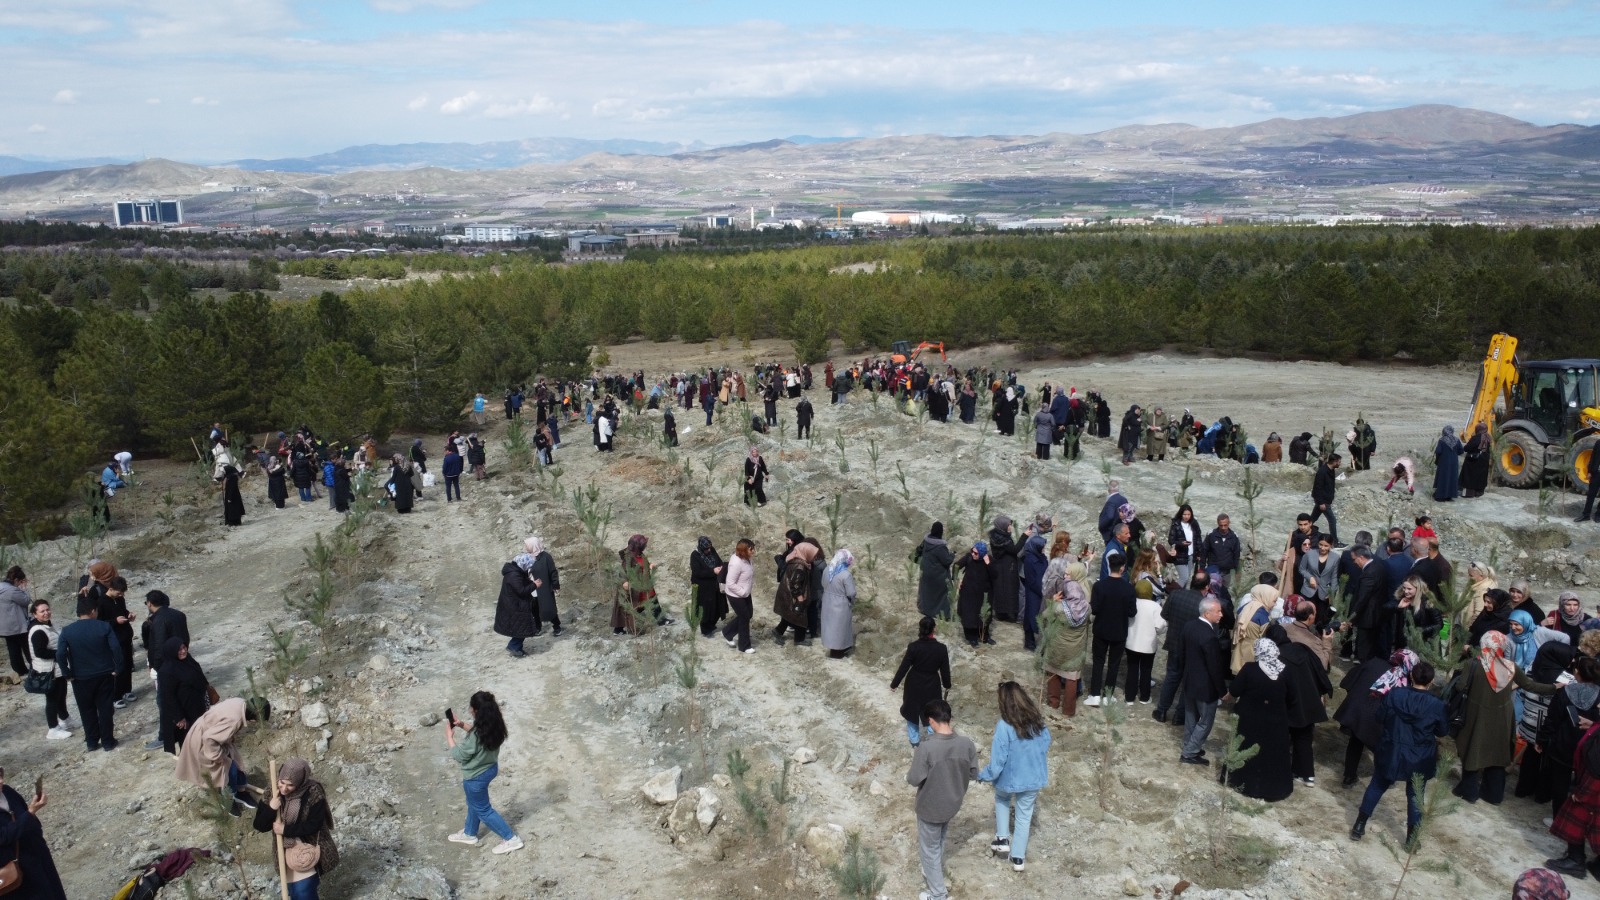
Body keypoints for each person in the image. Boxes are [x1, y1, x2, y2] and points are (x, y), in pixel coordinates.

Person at [1349, 661, 1448, 845]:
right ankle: (1411, 840)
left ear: (1411, 676)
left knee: (1377, 786)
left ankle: (1359, 825)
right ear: (1431, 681)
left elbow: (1379, 717)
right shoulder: (1437, 705)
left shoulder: (1395, 694)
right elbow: (1442, 731)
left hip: (1392, 750)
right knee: (1415, 795)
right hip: (1420, 756)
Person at [1455, 631, 1556, 804]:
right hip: (1502, 716)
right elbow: (1530, 685)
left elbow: (1460, 686)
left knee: (1473, 748)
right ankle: (1493, 795)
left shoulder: (1473, 664)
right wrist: (1553, 687)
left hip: (1476, 715)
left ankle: (1469, 791)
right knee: (1498, 754)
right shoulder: (1511, 666)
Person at [906, 698, 977, 900]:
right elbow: (973, 773)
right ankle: (933, 870)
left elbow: (914, 779)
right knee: (940, 839)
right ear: (949, 718)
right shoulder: (966, 744)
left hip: (930, 806)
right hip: (953, 803)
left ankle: (938, 894)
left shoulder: (927, 748)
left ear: (930, 721)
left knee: (929, 848)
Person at [977, 681, 1051, 873]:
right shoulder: (1039, 723)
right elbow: (1045, 745)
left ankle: (1002, 838)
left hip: (1010, 779)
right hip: (1033, 778)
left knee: (1001, 798)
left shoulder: (1004, 726)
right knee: (1024, 817)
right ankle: (1018, 858)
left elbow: (998, 762)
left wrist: (983, 775)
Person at [446, 692, 523, 855]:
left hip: (475, 777)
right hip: (490, 768)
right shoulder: (495, 725)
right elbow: (478, 735)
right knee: (474, 803)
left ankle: (511, 838)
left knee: (483, 809)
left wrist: (449, 738)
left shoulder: (477, 734)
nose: (469, 710)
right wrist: (461, 725)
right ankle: (469, 833)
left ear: (476, 711)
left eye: (471, 707)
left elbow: (460, 756)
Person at [253, 757, 337, 899]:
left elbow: (315, 824)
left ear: (300, 782)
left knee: (303, 891)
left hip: (308, 846)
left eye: (290, 785)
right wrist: (271, 808)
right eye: (282, 782)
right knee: (294, 892)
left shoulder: (313, 792)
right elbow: (260, 825)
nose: (284, 788)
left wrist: (285, 830)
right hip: (285, 849)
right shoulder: (271, 791)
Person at [1226, 638, 1295, 801]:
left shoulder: (1250, 669)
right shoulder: (1285, 671)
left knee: (1248, 751)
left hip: (1250, 719)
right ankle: (1272, 790)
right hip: (1276, 721)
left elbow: (1235, 690)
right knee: (1272, 755)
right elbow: (1292, 697)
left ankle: (1244, 784)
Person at [176, 697, 268, 815]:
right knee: (228, 767)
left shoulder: (241, 703)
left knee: (236, 761)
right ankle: (228, 798)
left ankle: (241, 791)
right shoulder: (234, 720)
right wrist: (218, 757)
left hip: (214, 735)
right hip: (204, 740)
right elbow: (209, 738)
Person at [56, 596, 122, 752]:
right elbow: (116, 648)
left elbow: (60, 654)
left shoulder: (67, 630)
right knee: (105, 709)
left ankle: (92, 742)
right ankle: (108, 741)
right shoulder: (104, 626)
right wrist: (118, 667)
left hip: (80, 678)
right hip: (104, 674)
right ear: (93, 611)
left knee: (86, 710)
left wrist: (67, 673)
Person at [1539, 656, 1600, 823]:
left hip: (1563, 745)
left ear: (1577, 672)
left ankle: (1558, 819)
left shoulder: (1565, 692)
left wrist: (1542, 740)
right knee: (1582, 787)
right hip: (1590, 747)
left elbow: (1552, 720)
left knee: (1559, 784)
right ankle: (1577, 821)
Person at [0, 767, 68, 900]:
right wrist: (31, 813)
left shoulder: (7, 792)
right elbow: (3, 836)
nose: (1, 780)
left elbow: (26, 814)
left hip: (38, 855)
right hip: (16, 869)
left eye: (0, 774)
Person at [1154, 570, 1207, 724]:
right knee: (1187, 682)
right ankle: (1180, 716)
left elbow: (1165, 615)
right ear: (1207, 587)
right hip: (1193, 649)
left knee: (1171, 677)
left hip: (1175, 643)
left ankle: (1162, 711)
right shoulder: (1203, 605)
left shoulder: (1176, 595)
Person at [1180, 598, 1227, 765]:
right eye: (1218, 611)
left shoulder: (1189, 626)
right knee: (1205, 721)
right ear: (1207, 613)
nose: (1221, 615)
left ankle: (1190, 745)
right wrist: (1222, 691)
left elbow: (1182, 653)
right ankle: (1189, 752)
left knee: (1191, 718)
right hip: (1205, 686)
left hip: (1190, 680)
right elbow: (1215, 667)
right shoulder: (1209, 636)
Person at [891, 617, 951, 747]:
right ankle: (933, 740)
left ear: (920, 629)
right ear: (934, 629)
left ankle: (914, 742)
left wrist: (894, 684)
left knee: (912, 712)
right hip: (932, 684)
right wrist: (947, 685)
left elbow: (904, 667)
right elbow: (945, 670)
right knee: (933, 712)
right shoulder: (941, 648)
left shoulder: (914, 647)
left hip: (914, 683)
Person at [1041, 561, 1092, 716]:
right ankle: (1069, 710)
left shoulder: (1059, 608)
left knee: (1054, 673)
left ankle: (1053, 702)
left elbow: (1044, 617)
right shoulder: (1087, 608)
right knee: (1072, 678)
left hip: (1058, 645)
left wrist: (1053, 602)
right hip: (1075, 648)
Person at [1086, 553, 1136, 706]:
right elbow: (1132, 612)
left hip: (1101, 629)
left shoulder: (1099, 586)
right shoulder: (1128, 589)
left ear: (1109, 566)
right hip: (1119, 631)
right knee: (1114, 664)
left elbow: (1094, 609)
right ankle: (1108, 695)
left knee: (1098, 662)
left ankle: (1095, 694)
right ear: (1122, 568)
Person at [26, 600, 73, 740]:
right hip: (48, 670)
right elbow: (40, 652)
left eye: (47, 609)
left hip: (57, 668)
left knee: (61, 694)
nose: (46, 613)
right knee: (52, 699)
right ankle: (53, 728)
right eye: (42, 611)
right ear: (35, 614)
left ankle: (65, 719)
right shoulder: (38, 631)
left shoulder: (50, 625)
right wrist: (60, 653)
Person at [156, 638, 208, 755]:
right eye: (179, 650)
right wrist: (179, 718)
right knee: (188, 741)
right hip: (184, 713)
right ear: (172, 651)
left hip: (197, 708)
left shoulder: (188, 660)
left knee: (202, 737)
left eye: (184, 647)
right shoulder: (166, 671)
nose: (183, 651)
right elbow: (168, 697)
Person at [1125, 568, 1166, 704]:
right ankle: (1144, 697)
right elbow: (1160, 627)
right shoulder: (1155, 607)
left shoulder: (1132, 603)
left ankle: (1129, 698)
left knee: (1132, 669)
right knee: (1146, 670)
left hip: (1131, 643)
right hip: (1148, 645)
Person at [616, 535, 670, 635]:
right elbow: (622, 572)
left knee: (653, 600)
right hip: (634, 587)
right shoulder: (629, 557)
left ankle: (661, 620)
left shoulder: (640, 554)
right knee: (627, 607)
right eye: (643, 545)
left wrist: (650, 565)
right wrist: (624, 582)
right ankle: (618, 629)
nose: (644, 546)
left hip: (644, 584)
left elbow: (643, 564)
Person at [494, 549, 537, 658]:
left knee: (521, 627)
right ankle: (514, 647)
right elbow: (521, 591)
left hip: (513, 604)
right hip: (515, 605)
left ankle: (515, 646)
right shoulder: (514, 575)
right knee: (522, 627)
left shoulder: (516, 571)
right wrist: (535, 585)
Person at [721, 539, 757, 654]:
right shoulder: (736, 563)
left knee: (748, 614)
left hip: (745, 593)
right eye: (751, 549)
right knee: (744, 617)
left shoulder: (747, 559)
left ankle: (727, 632)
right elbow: (730, 583)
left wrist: (746, 591)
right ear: (744, 550)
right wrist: (743, 592)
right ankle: (744, 646)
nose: (753, 551)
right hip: (736, 595)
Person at [819, 549, 857, 659]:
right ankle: (838, 653)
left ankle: (832, 650)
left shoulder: (827, 570)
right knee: (839, 628)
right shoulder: (846, 574)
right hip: (841, 604)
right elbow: (851, 592)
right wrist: (853, 600)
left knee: (829, 626)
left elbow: (823, 583)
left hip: (827, 601)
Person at [955, 542, 992, 647]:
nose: (973, 554)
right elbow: (956, 566)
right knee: (969, 616)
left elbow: (995, 575)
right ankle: (971, 638)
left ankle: (984, 636)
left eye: (976, 553)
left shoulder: (988, 560)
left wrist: (988, 564)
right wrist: (957, 580)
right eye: (972, 551)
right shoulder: (969, 558)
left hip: (983, 594)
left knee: (983, 615)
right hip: (968, 593)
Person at [916, 523, 955, 620]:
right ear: (941, 532)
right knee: (942, 595)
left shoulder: (926, 541)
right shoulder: (940, 547)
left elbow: (919, 551)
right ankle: (942, 615)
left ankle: (925, 609)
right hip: (938, 576)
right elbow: (947, 561)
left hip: (925, 573)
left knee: (927, 592)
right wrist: (952, 554)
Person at [986, 516, 1022, 624]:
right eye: (1008, 525)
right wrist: (1024, 536)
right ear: (1003, 526)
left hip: (1000, 567)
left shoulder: (997, 536)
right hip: (1007, 568)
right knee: (1009, 591)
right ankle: (1010, 614)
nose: (1010, 527)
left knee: (1001, 590)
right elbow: (1015, 550)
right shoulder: (1004, 540)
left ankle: (1001, 613)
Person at [690, 537, 726, 639]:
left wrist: (721, 567)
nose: (709, 550)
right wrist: (712, 571)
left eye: (709, 548)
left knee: (716, 606)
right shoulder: (695, 555)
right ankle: (705, 629)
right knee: (705, 609)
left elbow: (719, 561)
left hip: (714, 584)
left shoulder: (711, 550)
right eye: (706, 549)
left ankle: (712, 624)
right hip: (703, 587)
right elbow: (697, 572)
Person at [0, 567, 32, 683]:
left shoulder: (1, 587)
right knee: (28, 647)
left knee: (13, 649)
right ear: (17, 580)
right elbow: (25, 601)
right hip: (18, 625)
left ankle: (20, 671)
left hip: (5, 626)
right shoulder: (12, 591)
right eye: (21, 581)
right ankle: (35, 668)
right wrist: (24, 590)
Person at [1311, 453, 1342, 545]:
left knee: (1312, 519)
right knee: (1332, 520)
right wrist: (1321, 502)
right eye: (1339, 462)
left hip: (1325, 500)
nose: (1340, 464)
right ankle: (1335, 543)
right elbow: (1317, 488)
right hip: (1323, 501)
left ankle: (1300, 531)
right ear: (1335, 462)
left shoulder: (1330, 470)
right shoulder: (1322, 472)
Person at [1168, 505, 1200, 589]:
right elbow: (1171, 540)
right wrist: (1181, 543)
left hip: (1191, 555)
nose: (1186, 516)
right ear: (1181, 514)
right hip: (1179, 555)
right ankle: (1173, 593)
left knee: (1187, 578)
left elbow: (1198, 539)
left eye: (1188, 514)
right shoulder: (1176, 524)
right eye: (1184, 514)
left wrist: (1199, 553)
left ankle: (1182, 595)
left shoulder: (1194, 523)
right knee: (1184, 577)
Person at [1433, 425, 1465, 501]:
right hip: (1454, 463)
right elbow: (1461, 451)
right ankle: (1449, 496)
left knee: (1443, 478)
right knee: (1452, 478)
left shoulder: (1442, 440)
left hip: (1443, 462)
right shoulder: (1456, 440)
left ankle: (1440, 496)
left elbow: (1438, 451)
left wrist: (1437, 460)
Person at [1461, 422, 1492, 498]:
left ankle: (1470, 494)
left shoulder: (1476, 438)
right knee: (1481, 476)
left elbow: (1467, 448)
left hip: (1474, 460)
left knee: (1470, 476)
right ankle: (1479, 492)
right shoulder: (1488, 437)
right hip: (1484, 459)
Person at [1578, 440, 1600, 523]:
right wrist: (1589, 471)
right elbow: (1593, 457)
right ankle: (1586, 515)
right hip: (1596, 473)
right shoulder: (1599, 443)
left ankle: (1598, 514)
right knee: (1591, 494)